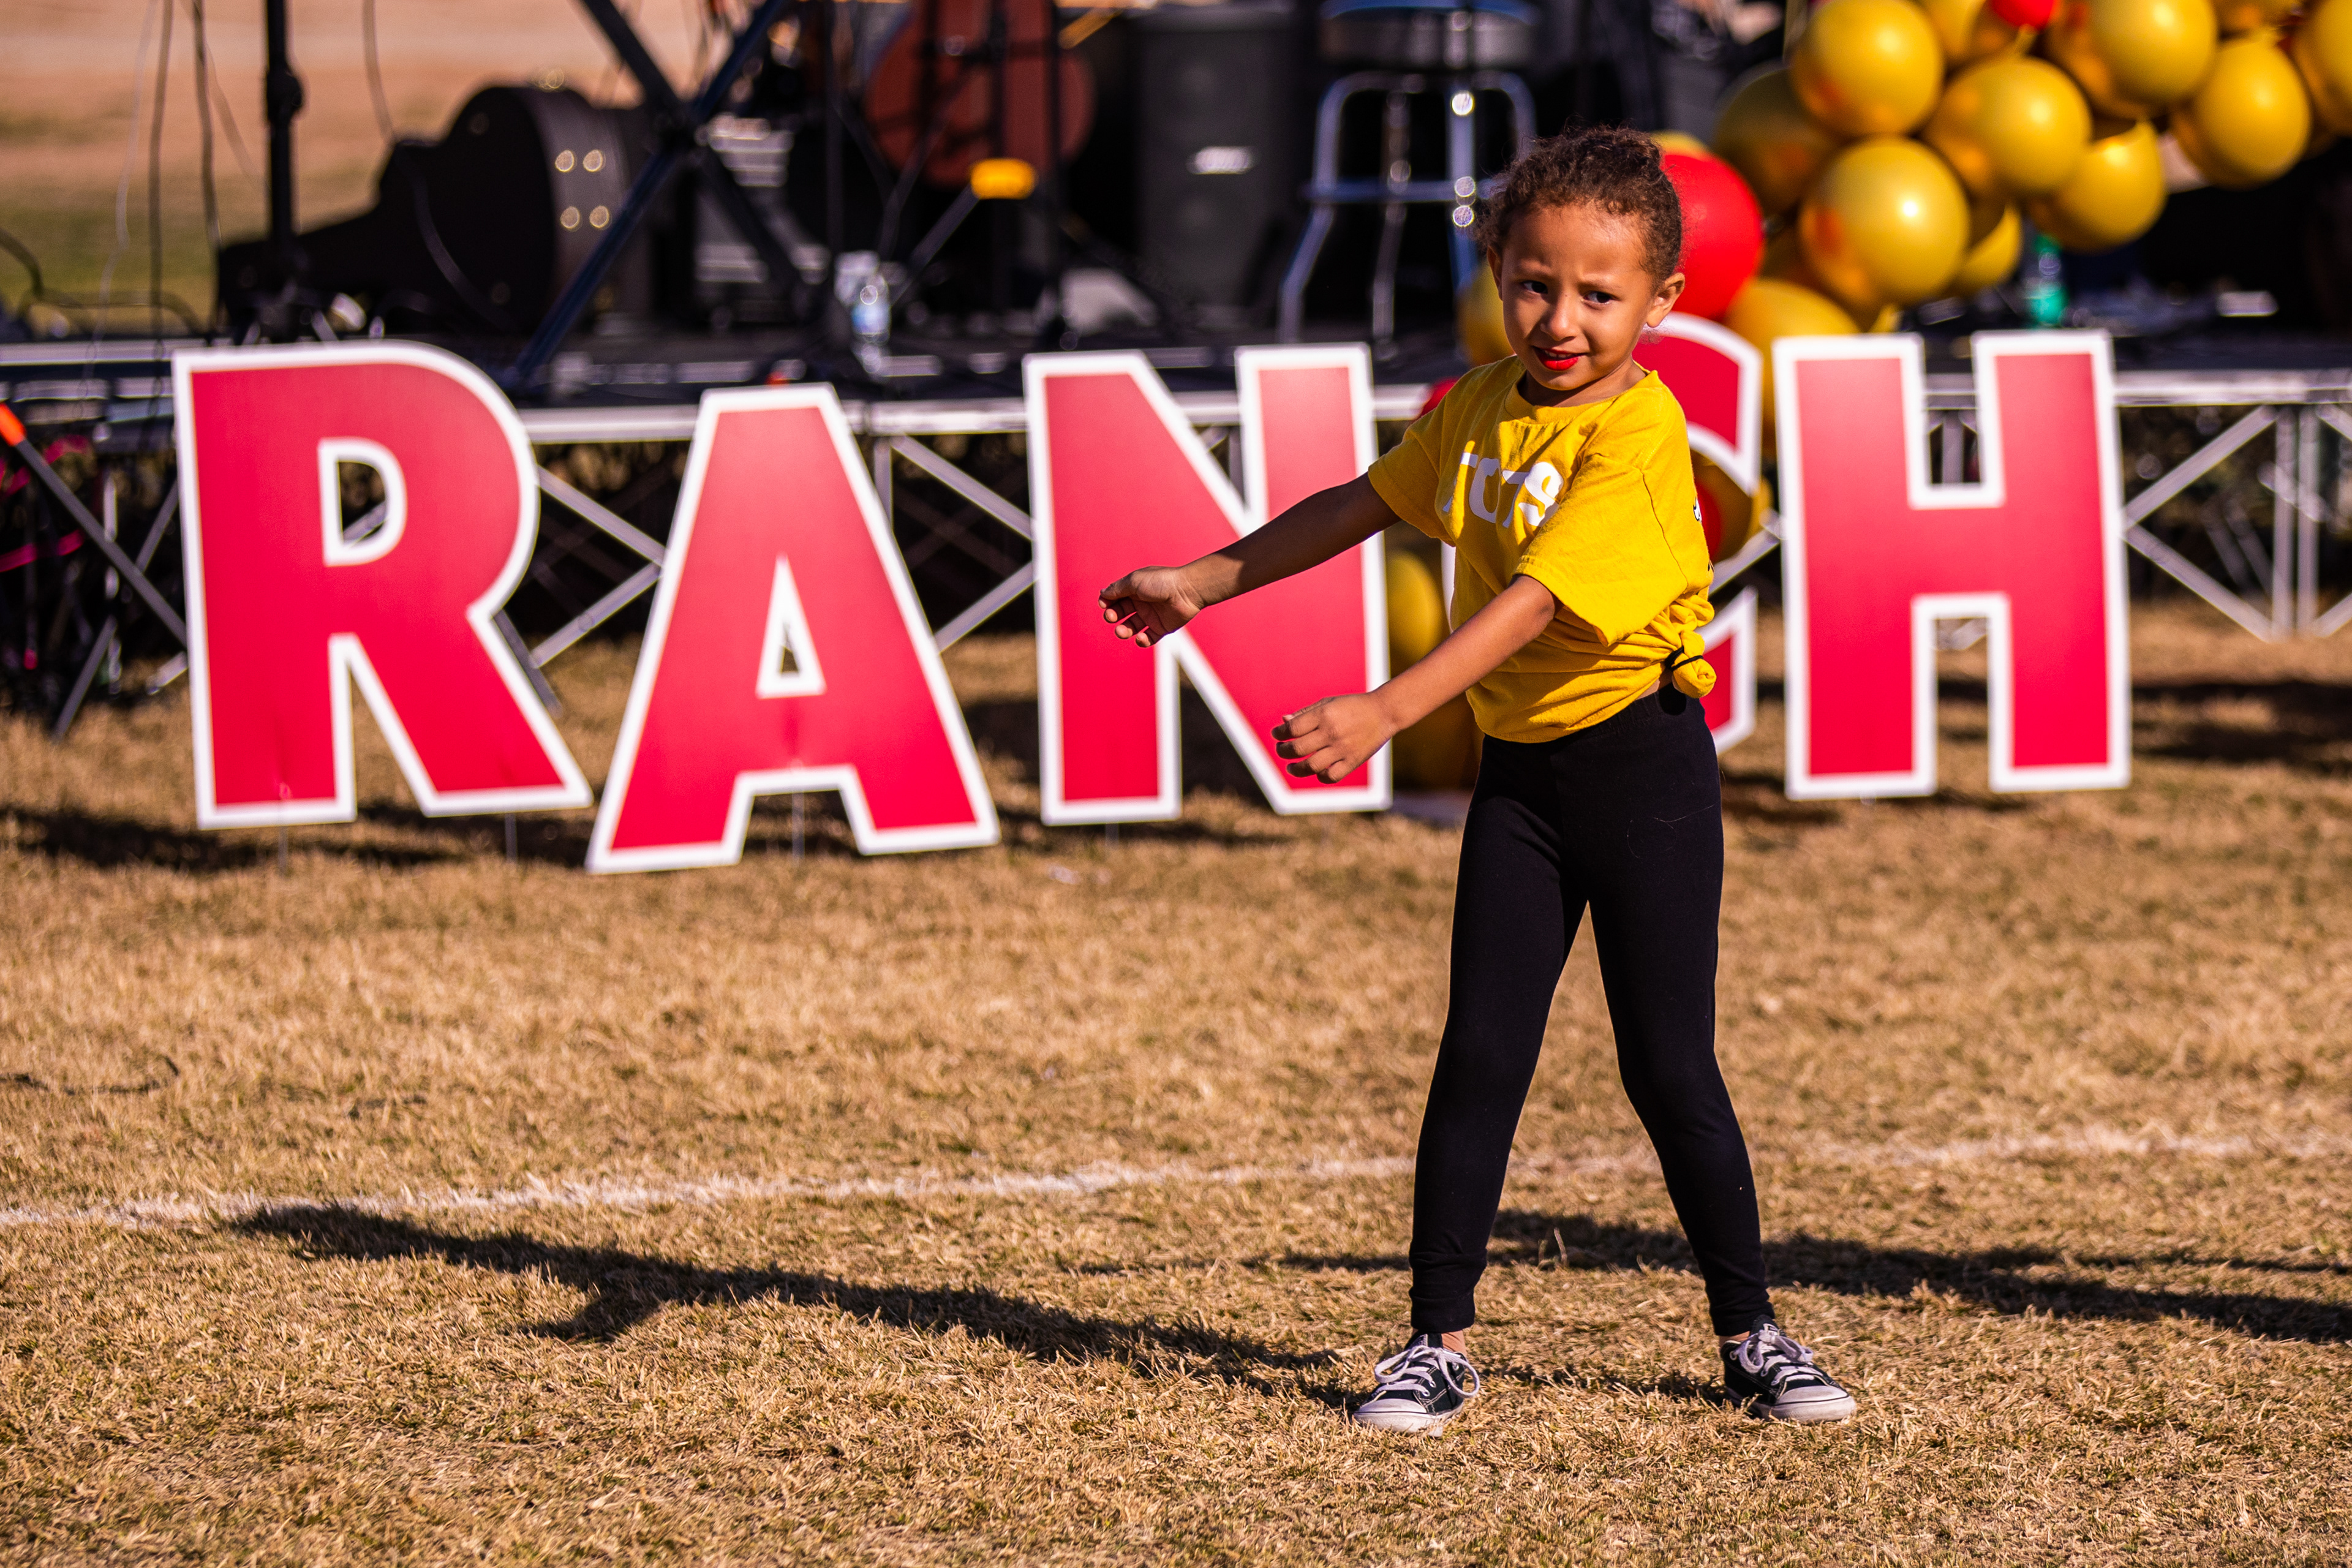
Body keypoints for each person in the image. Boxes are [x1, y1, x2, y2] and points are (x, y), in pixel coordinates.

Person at [1095, 125, 1855, 1431]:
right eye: (1533, 283)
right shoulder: (1483, 405)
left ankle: (1753, 1334)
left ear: (1663, 301)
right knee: (1481, 1054)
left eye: (1599, 293)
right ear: (1497, 273)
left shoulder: (1641, 432)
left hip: (1645, 775)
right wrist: (1202, 580)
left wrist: (1385, 710)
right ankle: (1435, 1343)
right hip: (1524, 784)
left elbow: (1537, 604)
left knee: (1669, 1065)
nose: (1561, 319)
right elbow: (1363, 501)